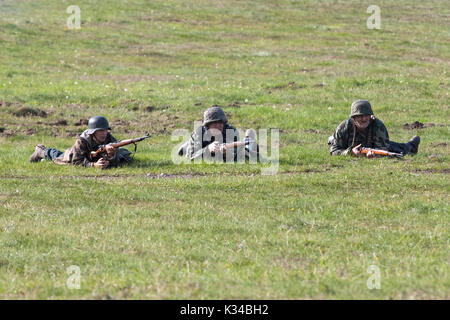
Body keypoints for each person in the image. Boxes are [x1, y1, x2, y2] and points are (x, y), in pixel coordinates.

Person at [29, 116, 132, 168]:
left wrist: (111, 157)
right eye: (100, 130)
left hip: (93, 157)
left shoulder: (110, 140)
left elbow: (116, 162)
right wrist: (94, 166)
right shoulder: (82, 141)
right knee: (57, 155)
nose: (104, 133)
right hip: (74, 156)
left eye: (105, 130)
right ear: (93, 132)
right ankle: (40, 151)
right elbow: (76, 161)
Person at [329, 100, 420, 157]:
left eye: (367, 115)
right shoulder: (343, 127)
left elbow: (383, 149)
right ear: (353, 118)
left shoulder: (378, 126)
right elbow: (334, 151)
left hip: (375, 146)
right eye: (360, 116)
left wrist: (374, 156)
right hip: (347, 147)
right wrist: (350, 152)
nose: (364, 119)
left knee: (394, 149)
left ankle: (410, 146)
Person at [178, 106, 260, 162]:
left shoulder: (230, 131)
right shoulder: (199, 133)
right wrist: (208, 149)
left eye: (221, 122)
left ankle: (249, 138)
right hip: (200, 146)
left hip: (227, 147)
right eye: (215, 123)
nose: (219, 126)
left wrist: (226, 153)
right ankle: (187, 145)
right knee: (186, 150)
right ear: (207, 125)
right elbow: (191, 157)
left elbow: (237, 155)